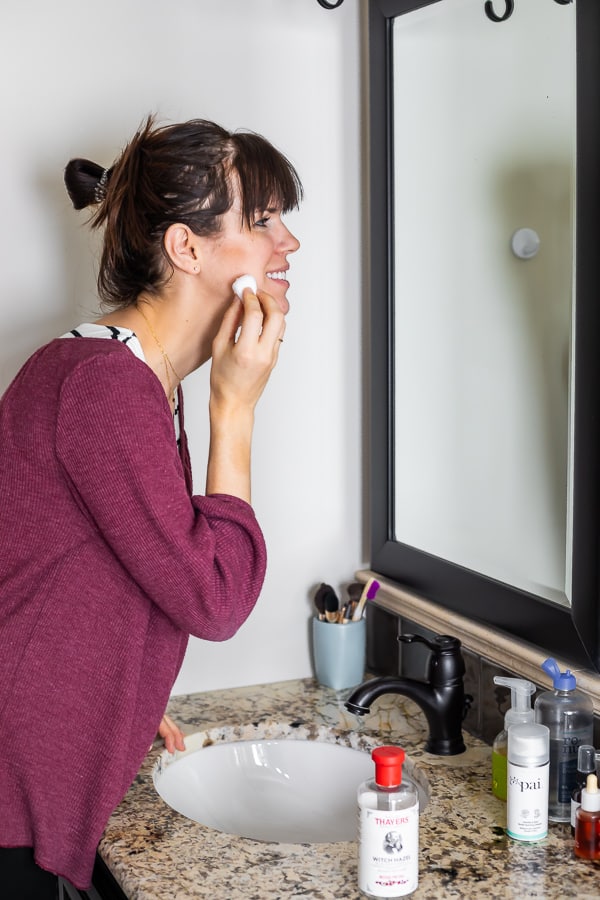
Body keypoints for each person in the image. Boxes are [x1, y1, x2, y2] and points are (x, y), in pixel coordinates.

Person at [0, 116, 302, 897]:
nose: (287, 244)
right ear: (186, 248)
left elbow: (105, 579)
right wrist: (234, 411)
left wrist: (120, 700)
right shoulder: (104, 387)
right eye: (263, 219)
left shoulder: (129, 376)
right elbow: (214, 595)